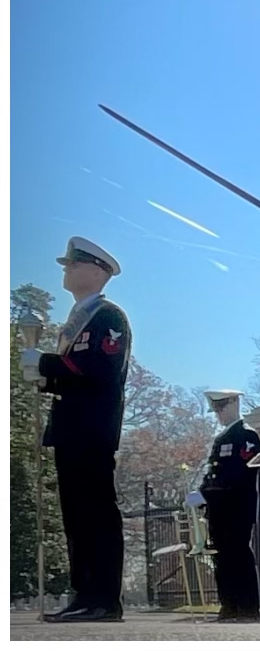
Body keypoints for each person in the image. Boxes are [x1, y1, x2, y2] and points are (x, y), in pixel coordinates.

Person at [21, 237, 129, 623]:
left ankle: (102, 598)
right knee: (76, 516)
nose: (66, 269)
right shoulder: (78, 318)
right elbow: (73, 377)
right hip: (72, 429)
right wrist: (44, 376)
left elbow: (98, 370)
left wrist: (46, 364)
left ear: (97, 271)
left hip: (92, 431)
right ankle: (84, 594)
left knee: (95, 513)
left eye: (74, 263)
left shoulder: (108, 317)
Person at [186, 390, 260, 623]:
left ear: (235, 403)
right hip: (219, 509)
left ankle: (247, 608)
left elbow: (239, 473)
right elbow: (213, 473)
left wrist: (205, 494)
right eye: (216, 410)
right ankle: (229, 605)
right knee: (222, 557)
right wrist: (201, 492)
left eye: (222, 407)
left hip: (237, 507)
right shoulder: (221, 439)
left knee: (238, 554)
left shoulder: (247, 435)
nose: (219, 414)